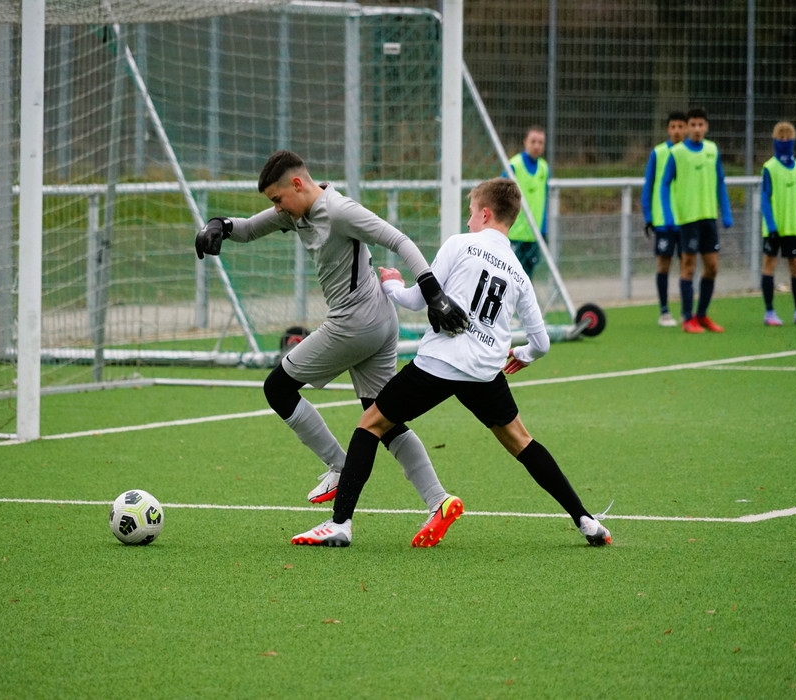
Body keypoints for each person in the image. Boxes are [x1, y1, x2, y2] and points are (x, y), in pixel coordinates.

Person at [291, 177, 612, 549]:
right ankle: (586, 521)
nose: (468, 220)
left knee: (371, 423)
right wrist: (522, 355)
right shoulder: (519, 274)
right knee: (522, 442)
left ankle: (340, 524)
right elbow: (541, 343)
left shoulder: (460, 244)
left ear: (485, 213)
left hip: (439, 363)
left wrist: (392, 284)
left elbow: (417, 300)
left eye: (471, 213)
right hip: (485, 371)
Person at [194, 150, 469, 541]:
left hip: (355, 324)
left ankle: (339, 467)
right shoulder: (295, 212)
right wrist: (218, 226)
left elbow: (398, 239)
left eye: (277, 199)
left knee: (277, 388)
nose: (276, 208)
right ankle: (438, 500)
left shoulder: (339, 210)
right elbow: (249, 229)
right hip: (379, 319)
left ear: (297, 184)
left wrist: (434, 293)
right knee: (382, 418)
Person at [660, 107, 733, 334]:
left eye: (701, 125)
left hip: (708, 217)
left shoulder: (712, 150)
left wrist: (726, 211)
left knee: (712, 267)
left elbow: (720, 181)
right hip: (688, 219)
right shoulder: (678, 153)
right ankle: (687, 317)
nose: (697, 129)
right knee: (688, 267)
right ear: (688, 127)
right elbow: (664, 184)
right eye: (693, 125)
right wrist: (669, 215)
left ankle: (701, 315)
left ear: (706, 127)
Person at [760, 121, 796, 327]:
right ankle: (769, 312)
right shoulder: (769, 167)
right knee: (769, 264)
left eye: (788, 138)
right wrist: (771, 227)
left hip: (793, 228)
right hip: (775, 228)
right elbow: (765, 198)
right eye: (781, 138)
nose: (784, 141)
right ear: (775, 140)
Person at [642, 111, 688, 327]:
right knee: (663, 264)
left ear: (686, 128)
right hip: (663, 221)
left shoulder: (690, 153)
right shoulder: (659, 153)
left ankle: (687, 312)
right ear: (668, 129)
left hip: (687, 219)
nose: (677, 131)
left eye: (680, 126)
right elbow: (649, 185)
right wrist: (648, 216)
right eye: (673, 127)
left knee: (687, 264)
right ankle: (664, 311)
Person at [505, 126, 549, 278]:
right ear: (525, 142)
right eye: (533, 141)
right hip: (514, 235)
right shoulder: (514, 165)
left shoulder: (544, 168)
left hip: (534, 234)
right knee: (511, 278)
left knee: (527, 279)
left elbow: (545, 201)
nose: (537, 146)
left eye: (540, 142)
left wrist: (544, 230)